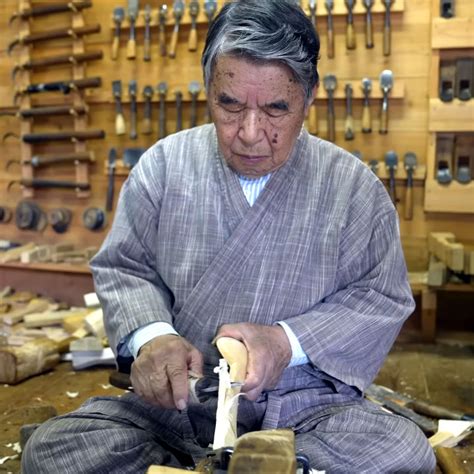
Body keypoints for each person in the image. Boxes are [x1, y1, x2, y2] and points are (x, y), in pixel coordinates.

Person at [22, 0, 436, 472]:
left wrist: (285, 343)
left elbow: (379, 298)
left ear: (310, 95)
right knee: (56, 451)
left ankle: (257, 463)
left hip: (303, 410)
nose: (250, 133)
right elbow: (125, 267)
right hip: (178, 405)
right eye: (230, 105)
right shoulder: (163, 166)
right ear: (208, 90)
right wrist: (153, 339)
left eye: (277, 108)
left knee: (400, 451)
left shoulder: (354, 188)